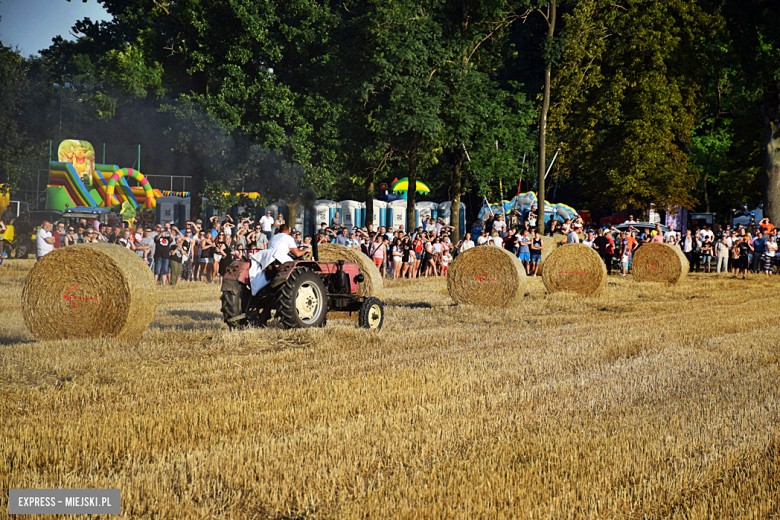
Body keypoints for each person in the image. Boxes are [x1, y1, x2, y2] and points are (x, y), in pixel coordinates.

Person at [248, 224, 309, 295]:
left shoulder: (274, 237)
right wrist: (306, 250)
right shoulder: (288, 238)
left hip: (269, 262)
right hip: (279, 259)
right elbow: (297, 254)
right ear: (288, 231)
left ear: (280, 230)